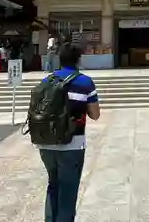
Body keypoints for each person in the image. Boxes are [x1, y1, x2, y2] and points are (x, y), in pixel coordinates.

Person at [37, 45, 100, 222]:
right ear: (78, 60)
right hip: (72, 143)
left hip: (46, 142)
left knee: (53, 185)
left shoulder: (47, 81)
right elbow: (95, 115)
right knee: (68, 190)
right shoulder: (85, 82)